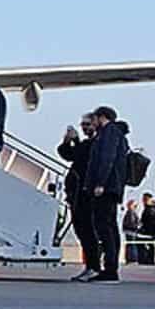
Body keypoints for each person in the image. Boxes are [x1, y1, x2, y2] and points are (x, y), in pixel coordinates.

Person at [84, 106, 131, 282]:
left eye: (94, 119)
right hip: (112, 186)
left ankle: (110, 268)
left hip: (107, 187)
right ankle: (111, 266)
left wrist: (100, 183)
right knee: (108, 226)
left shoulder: (109, 133)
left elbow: (107, 158)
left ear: (101, 117)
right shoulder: (113, 133)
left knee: (105, 226)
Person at [58, 113, 99, 281]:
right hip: (76, 194)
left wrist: (75, 140)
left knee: (88, 231)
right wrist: (68, 141)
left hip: (85, 194)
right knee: (82, 231)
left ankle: (94, 266)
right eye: (83, 124)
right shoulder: (87, 144)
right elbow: (68, 154)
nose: (85, 127)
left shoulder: (96, 144)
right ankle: (91, 265)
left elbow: (79, 155)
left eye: (88, 124)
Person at [138, 194, 155, 266]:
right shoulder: (151, 208)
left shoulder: (151, 209)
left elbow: (149, 221)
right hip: (149, 230)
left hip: (149, 231)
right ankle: (149, 259)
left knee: (149, 245)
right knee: (149, 245)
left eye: (144, 199)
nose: (143, 201)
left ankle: (149, 260)